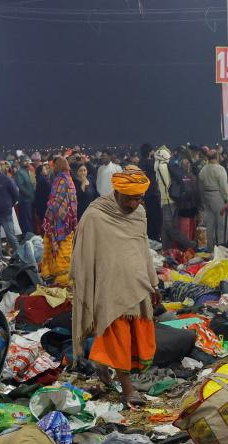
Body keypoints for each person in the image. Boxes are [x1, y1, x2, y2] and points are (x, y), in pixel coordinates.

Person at [71, 166, 158, 408]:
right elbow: (83, 253)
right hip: (109, 286)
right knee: (118, 334)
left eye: (138, 198)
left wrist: (153, 282)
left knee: (136, 337)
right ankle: (127, 389)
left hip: (138, 283)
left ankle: (104, 362)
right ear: (117, 191)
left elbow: (143, 249)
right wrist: (85, 282)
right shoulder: (96, 214)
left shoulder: (139, 213)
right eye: (129, 198)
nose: (133, 203)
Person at [41, 157, 77, 287]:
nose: (51, 168)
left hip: (58, 223)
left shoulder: (60, 180)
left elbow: (55, 203)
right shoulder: (70, 180)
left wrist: (49, 215)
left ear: (58, 166)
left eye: (53, 165)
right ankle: (66, 278)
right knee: (67, 250)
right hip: (68, 223)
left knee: (58, 250)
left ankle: (60, 279)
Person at [14, 156, 36, 236]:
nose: (27, 162)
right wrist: (30, 194)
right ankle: (27, 236)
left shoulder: (29, 171)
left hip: (31, 199)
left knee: (30, 218)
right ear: (21, 162)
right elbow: (20, 186)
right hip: (25, 200)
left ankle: (30, 235)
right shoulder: (19, 172)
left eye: (28, 161)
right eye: (25, 161)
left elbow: (33, 184)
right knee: (26, 219)